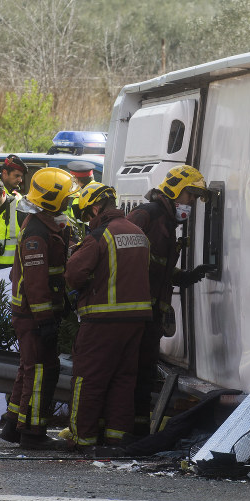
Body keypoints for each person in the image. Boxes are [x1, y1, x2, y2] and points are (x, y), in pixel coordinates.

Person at [65, 182, 152, 454]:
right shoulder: (139, 233)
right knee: (123, 380)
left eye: (86, 215)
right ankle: (116, 438)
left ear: (94, 208)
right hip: (136, 321)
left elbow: (73, 275)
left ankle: (84, 439)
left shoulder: (99, 236)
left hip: (102, 321)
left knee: (88, 379)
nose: (87, 221)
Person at [126, 165, 213, 435]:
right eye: (191, 196)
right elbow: (127, 260)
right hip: (137, 312)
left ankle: (138, 433)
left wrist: (184, 277)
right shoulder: (148, 215)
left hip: (150, 314)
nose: (192, 204)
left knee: (144, 374)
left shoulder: (166, 221)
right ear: (176, 189)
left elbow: (158, 267)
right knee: (132, 373)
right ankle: (125, 432)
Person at [0, 167, 77, 450]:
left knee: (30, 368)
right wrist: (45, 319)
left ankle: (13, 425)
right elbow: (36, 282)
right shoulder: (36, 232)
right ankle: (32, 433)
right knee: (41, 371)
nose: (70, 202)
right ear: (53, 199)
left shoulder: (48, 223)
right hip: (33, 314)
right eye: (67, 197)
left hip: (36, 313)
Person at [66, 160, 96, 226]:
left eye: (73, 178)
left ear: (76, 179)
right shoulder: (93, 188)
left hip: (85, 229)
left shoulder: (88, 192)